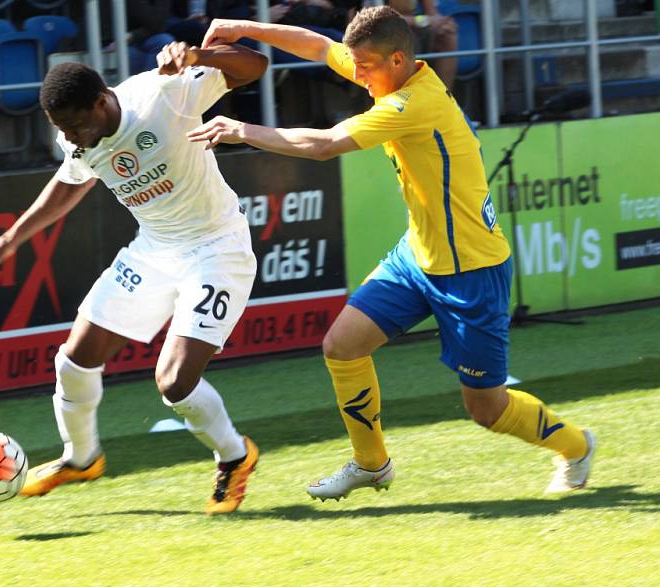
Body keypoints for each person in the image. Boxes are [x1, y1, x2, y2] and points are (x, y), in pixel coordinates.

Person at [188, 7, 596, 501]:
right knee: (341, 346)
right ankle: (371, 464)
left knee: (486, 410)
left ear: (397, 59)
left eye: (363, 66)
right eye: (355, 63)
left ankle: (576, 447)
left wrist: (242, 130)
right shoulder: (382, 68)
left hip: (470, 271)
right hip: (416, 257)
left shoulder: (413, 104)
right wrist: (246, 28)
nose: (355, 75)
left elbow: (327, 144)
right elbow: (317, 46)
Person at [0, 41, 268, 515]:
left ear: (102, 101)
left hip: (216, 249)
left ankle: (235, 456)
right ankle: (81, 459)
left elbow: (256, 66)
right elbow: (70, 180)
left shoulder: (163, 95)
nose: (73, 139)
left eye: (77, 126)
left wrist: (200, 57)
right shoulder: (78, 137)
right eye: (63, 131)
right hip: (154, 251)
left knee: (175, 382)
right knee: (74, 360)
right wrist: (8, 241)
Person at [389, 0, 458, 90]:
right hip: (389, 31)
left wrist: (442, 24)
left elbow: (432, 14)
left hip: (417, 27)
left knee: (447, 35)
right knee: (406, 40)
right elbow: (383, 19)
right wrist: (423, 21)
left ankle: (442, 96)